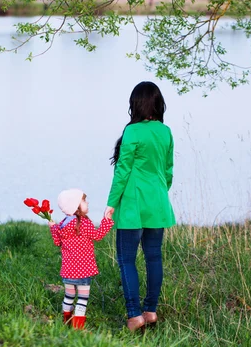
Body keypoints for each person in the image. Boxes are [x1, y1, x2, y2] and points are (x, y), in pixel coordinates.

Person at [103, 81, 176, 332]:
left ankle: (135, 316)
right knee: (154, 258)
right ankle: (151, 311)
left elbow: (122, 171)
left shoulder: (132, 132)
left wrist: (111, 203)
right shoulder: (165, 132)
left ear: (135, 104)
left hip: (133, 206)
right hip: (157, 204)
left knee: (127, 260)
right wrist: (158, 193)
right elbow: (168, 172)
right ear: (158, 104)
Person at [49, 188, 114, 330]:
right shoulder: (83, 223)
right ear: (75, 205)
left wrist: (52, 226)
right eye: (84, 200)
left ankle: (66, 321)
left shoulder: (63, 224)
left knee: (68, 297)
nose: (87, 202)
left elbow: (57, 241)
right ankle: (78, 327)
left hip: (67, 271)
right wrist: (106, 220)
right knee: (82, 299)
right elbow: (98, 236)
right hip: (83, 271)